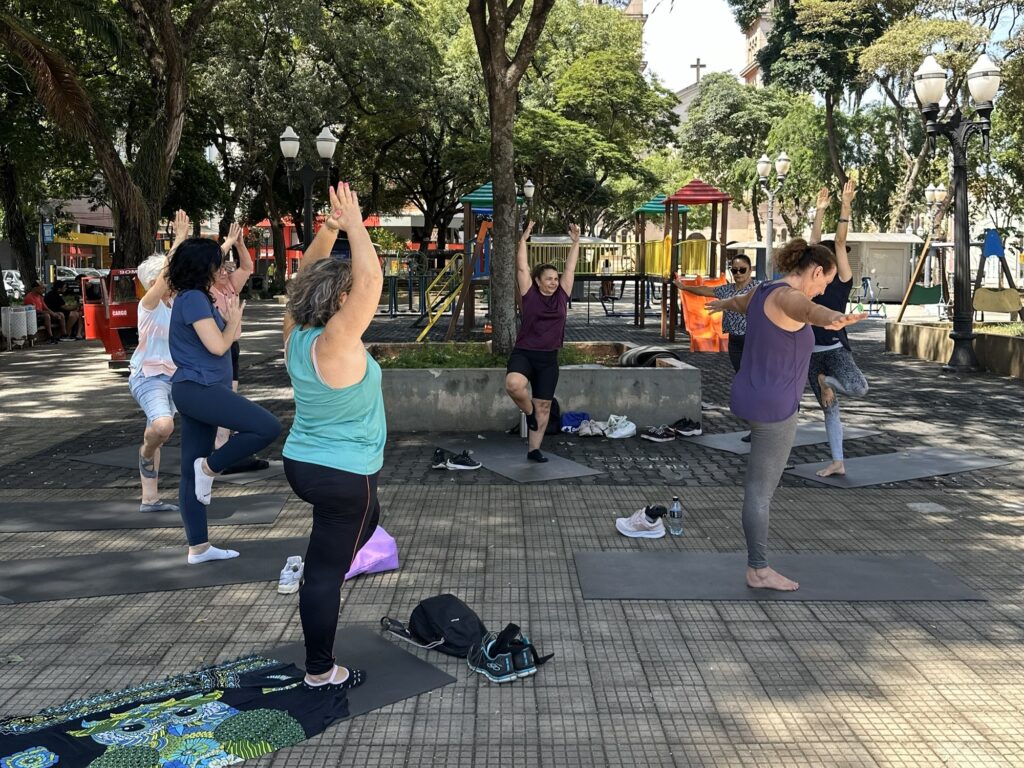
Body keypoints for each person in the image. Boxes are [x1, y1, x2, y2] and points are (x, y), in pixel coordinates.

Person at [707, 239, 866, 591]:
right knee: (759, 493)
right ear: (816, 271)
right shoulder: (789, 298)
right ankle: (758, 570)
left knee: (757, 489)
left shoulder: (763, 290)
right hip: (774, 410)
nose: (823, 289)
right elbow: (809, 311)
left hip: (748, 396)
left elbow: (739, 302)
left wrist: (722, 304)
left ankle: (758, 566)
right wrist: (834, 318)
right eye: (825, 282)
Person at [281, 182, 382, 690]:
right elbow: (371, 280)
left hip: (302, 464)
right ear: (340, 299)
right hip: (344, 475)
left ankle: (325, 561)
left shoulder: (294, 333)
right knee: (323, 576)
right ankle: (321, 670)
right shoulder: (338, 340)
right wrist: (356, 225)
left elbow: (305, 274)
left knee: (368, 519)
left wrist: (328, 230)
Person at [168, 235, 281, 565]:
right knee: (267, 427)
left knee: (190, 472)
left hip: (199, 389)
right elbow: (218, 346)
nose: (224, 269)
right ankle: (210, 466)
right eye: (218, 264)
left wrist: (232, 321)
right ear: (203, 267)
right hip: (199, 388)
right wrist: (233, 321)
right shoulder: (193, 298)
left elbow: (221, 342)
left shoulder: (196, 297)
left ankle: (199, 548)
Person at [807, 179, 869, 478]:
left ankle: (826, 381)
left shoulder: (843, 280)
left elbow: (840, 243)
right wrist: (819, 211)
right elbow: (813, 246)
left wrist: (845, 207)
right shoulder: (811, 279)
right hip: (809, 352)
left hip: (834, 350)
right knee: (829, 409)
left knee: (859, 388)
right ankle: (838, 461)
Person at [129, 209, 189, 513]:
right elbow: (167, 276)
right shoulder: (148, 305)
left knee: (160, 429)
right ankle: (146, 449)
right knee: (163, 427)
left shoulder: (179, 303)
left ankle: (149, 500)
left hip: (175, 376)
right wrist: (178, 239)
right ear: (154, 282)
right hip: (148, 376)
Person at [504, 221, 580, 463]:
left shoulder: (562, 295)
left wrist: (575, 243)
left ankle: (534, 450)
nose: (554, 282)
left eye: (555, 278)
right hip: (525, 353)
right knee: (514, 385)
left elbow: (570, 269)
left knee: (544, 405)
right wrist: (523, 239)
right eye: (548, 279)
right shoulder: (529, 294)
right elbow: (522, 267)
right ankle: (528, 413)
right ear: (537, 281)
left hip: (549, 358)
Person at [209, 223, 255, 453]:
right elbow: (205, 264)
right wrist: (227, 242)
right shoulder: (206, 290)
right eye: (219, 269)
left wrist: (240, 244)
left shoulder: (230, 285)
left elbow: (247, 266)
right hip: (216, 346)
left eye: (226, 267)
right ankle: (218, 444)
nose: (224, 272)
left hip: (232, 346)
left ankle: (223, 442)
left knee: (231, 393)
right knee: (222, 396)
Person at [675, 253, 757, 373]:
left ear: (750, 271)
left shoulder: (758, 288)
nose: (738, 273)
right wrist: (684, 287)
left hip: (754, 339)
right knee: (740, 373)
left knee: (754, 372)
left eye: (742, 270)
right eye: (735, 270)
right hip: (734, 339)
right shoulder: (727, 289)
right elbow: (705, 290)